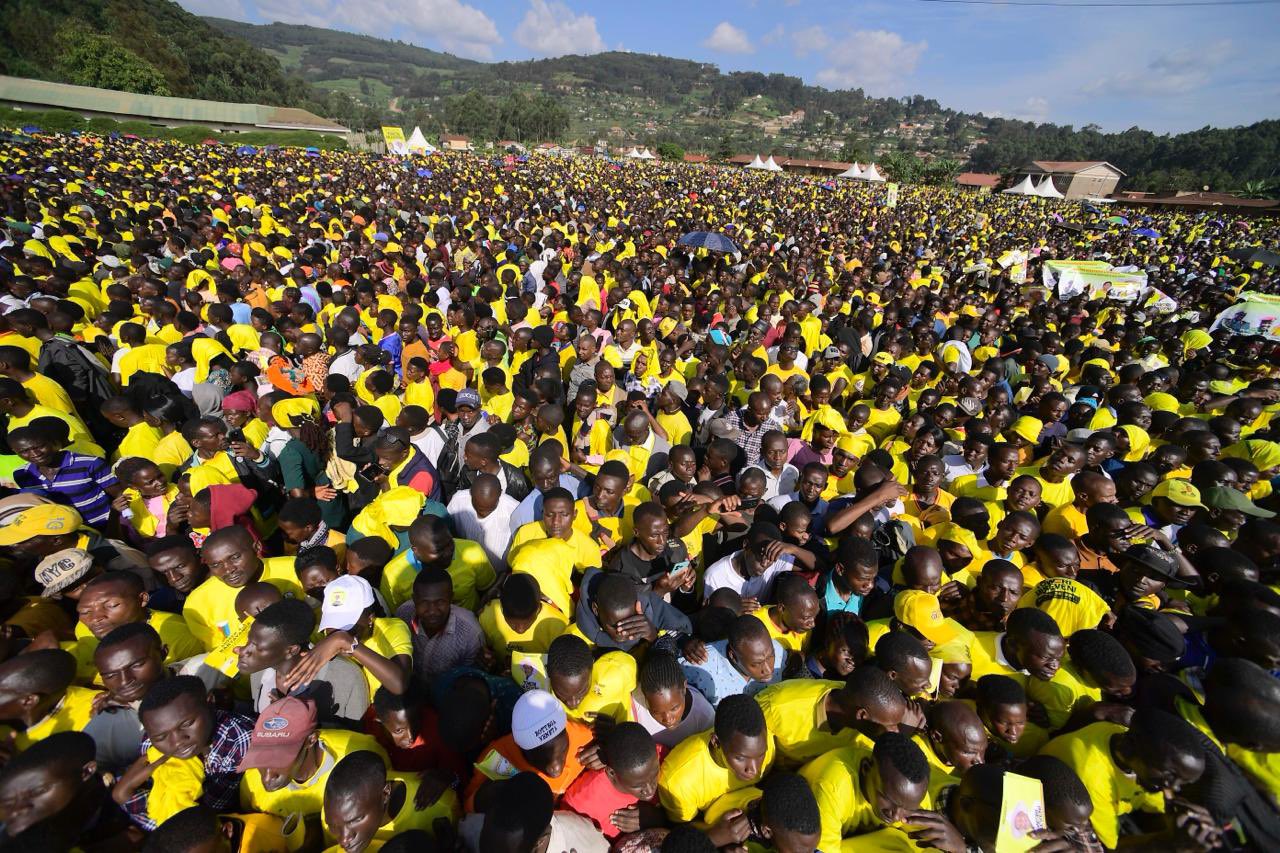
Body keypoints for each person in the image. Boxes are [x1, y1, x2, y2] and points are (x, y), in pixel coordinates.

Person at [234, 598, 370, 727]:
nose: (243, 651)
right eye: (248, 641)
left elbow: (358, 737)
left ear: (291, 650)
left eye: (258, 648)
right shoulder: (260, 673)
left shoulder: (345, 676)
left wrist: (293, 720)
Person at [323, 749, 459, 850]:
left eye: (356, 820)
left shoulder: (439, 807)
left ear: (385, 793)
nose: (343, 840)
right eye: (333, 826)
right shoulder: (331, 817)